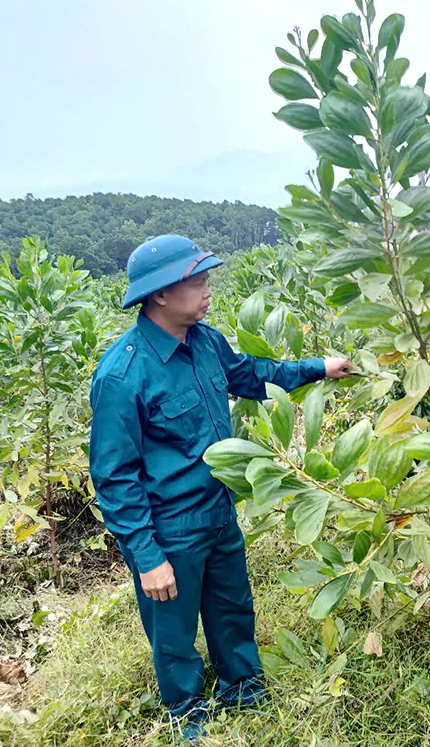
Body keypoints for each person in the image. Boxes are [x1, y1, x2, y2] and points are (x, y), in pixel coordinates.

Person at [88, 235, 355, 741]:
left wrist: (319, 367)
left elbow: (252, 375)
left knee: (232, 605)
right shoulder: (123, 374)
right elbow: (114, 476)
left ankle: (244, 688)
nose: (209, 289)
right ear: (161, 294)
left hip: (218, 509)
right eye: (198, 280)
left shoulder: (204, 341)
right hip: (169, 527)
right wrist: (147, 557)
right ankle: (188, 713)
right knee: (173, 629)